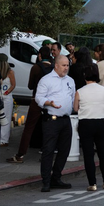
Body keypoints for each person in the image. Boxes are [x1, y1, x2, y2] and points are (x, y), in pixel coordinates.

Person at [35, 55, 76, 192]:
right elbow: (38, 97)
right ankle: (46, 181)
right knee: (48, 150)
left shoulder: (70, 80)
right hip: (51, 119)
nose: (66, 68)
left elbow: (72, 96)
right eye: (63, 65)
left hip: (65, 119)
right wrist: (48, 103)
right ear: (56, 65)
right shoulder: (46, 80)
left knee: (65, 150)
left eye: (67, 65)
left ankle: (56, 177)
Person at [8, 45, 53, 164]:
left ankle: (20, 155)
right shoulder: (54, 68)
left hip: (37, 100)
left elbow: (30, 86)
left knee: (28, 128)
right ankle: (47, 154)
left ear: (39, 56)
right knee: (49, 128)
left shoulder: (36, 68)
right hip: (50, 101)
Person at [74, 64, 104, 192]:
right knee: (103, 154)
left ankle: (92, 183)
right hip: (101, 122)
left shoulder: (80, 91)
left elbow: (75, 108)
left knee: (88, 154)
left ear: (84, 76)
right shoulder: (103, 90)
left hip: (86, 123)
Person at [0, 53, 16, 147]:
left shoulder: (10, 72)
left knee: (6, 117)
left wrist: (7, 92)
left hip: (7, 98)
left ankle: (4, 139)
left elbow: (13, 85)